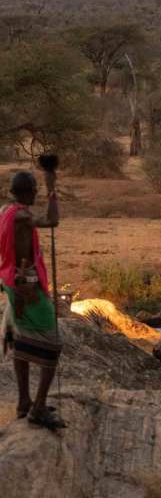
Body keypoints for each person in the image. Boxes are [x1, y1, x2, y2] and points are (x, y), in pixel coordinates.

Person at [0, 167, 66, 428]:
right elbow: (52, 221)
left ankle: (23, 402)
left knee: (21, 340)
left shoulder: (5, 211)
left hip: (11, 281)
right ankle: (37, 408)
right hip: (26, 287)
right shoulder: (22, 216)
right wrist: (52, 189)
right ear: (27, 193)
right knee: (52, 344)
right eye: (35, 191)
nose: (36, 194)